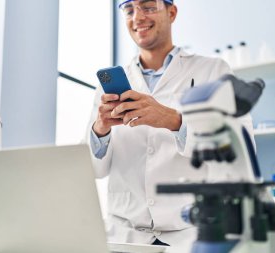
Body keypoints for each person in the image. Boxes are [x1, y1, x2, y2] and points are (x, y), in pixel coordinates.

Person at [88, 0, 255, 247]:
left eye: (148, 7)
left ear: (172, 12)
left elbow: (241, 150)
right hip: (124, 236)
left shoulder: (214, 70)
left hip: (191, 234)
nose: (137, 17)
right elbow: (94, 170)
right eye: (129, 10)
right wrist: (100, 131)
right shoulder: (106, 88)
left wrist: (175, 121)